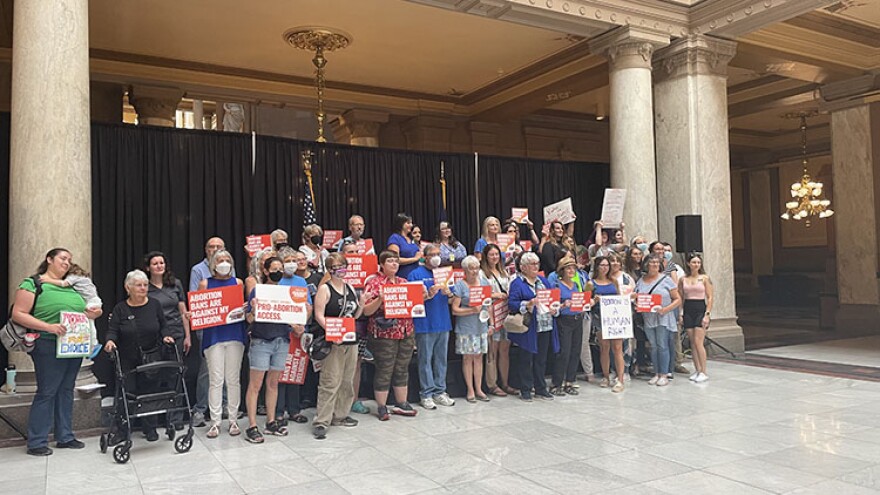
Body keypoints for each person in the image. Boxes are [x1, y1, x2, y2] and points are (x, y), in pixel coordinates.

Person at [12, 248, 101, 456]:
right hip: (48, 342)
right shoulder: (33, 283)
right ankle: (37, 441)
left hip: (73, 344)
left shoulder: (74, 284)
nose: (67, 262)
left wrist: (94, 313)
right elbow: (19, 313)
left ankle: (65, 436)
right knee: (47, 390)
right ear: (49, 259)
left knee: (66, 389)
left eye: (69, 259)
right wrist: (48, 327)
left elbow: (91, 309)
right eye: (63, 258)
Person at [106, 269, 176, 441]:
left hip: (151, 355)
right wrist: (110, 341)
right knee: (126, 393)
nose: (143, 288)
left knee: (150, 391)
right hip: (127, 357)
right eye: (139, 285)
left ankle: (150, 428)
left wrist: (166, 336)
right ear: (128, 287)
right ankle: (122, 430)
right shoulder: (120, 309)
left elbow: (163, 325)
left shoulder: (154, 304)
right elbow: (113, 330)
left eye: (145, 285)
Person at [244, 256, 307, 443]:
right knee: (255, 385)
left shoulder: (287, 292)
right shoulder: (258, 291)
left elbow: (292, 318)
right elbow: (249, 319)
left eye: (280, 268)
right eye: (274, 269)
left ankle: (271, 422)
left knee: (273, 384)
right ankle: (252, 425)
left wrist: (297, 326)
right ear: (265, 271)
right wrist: (253, 309)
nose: (278, 272)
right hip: (261, 341)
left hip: (282, 340)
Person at [362, 250, 419, 420]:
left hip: (406, 331)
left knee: (402, 368)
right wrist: (380, 299)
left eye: (396, 261)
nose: (394, 264)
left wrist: (424, 296)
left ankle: (402, 403)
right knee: (384, 369)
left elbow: (413, 305)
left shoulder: (404, 282)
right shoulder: (374, 283)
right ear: (382, 264)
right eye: (390, 261)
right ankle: (381, 406)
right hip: (384, 333)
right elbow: (366, 310)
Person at [312, 253, 364, 439]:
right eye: (335, 267)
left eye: (342, 266)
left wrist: (362, 304)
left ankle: (340, 415)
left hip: (350, 340)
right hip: (333, 341)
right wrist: (332, 333)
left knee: (347, 380)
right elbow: (319, 315)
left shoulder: (349, 287)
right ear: (329, 269)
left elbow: (355, 315)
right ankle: (322, 420)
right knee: (330, 380)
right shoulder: (325, 289)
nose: (340, 270)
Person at [197, 249, 247, 438]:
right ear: (213, 264)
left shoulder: (238, 282)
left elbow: (241, 305)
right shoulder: (205, 283)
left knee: (233, 379)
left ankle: (233, 420)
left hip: (235, 334)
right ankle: (215, 422)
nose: (224, 263)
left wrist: (245, 307)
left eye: (227, 259)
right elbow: (200, 308)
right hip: (214, 336)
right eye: (220, 260)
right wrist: (195, 314)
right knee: (215, 380)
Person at [407, 244, 456, 410]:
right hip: (425, 324)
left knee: (441, 359)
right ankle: (426, 394)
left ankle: (440, 391)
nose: (436, 257)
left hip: (443, 322)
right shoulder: (415, 274)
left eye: (438, 254)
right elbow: (412, 300)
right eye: (432, 254)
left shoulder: (445, 273)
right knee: (425, 360)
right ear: (425, 257)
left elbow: (452, 299)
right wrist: (428, 295)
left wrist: (449, 293)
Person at [189, 236, 230, 427]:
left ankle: (223, 405)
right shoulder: (198, 270)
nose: (215, 249)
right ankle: (200, 409)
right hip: (208, 326)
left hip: (226, 326)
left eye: (219, 246)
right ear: (206, 250)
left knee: (225, 367)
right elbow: (196, 298)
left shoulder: (229, 267)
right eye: (211, 247)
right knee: (207, 369)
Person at [507, 252, 560, 402]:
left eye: (537, 263)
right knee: (526, 358)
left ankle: (540, 388)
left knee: (541, 359)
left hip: (545, 324)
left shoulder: (544, 281)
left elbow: (553, 300)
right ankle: (525, 389)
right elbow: (512, 303)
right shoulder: (517, 283)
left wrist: (555, 309)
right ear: (523, 267)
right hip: (529, 326)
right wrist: (527, 304)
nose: (536, 266)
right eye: (532, 264)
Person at [275, 247, 314, 422]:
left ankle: (294, 410)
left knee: (296, 370)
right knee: (280, 373)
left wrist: (301, 324)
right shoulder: (277, 282)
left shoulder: (301, 281)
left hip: (300, 332)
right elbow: (276, 308)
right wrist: (292, 326)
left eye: (294, 260)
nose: (292, 263)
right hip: (282, 332)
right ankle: (278, 411)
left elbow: (308, 306)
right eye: (288, 261)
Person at [635, 254, 681, 387]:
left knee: (662, 345)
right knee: (653, 346)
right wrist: (637, 303)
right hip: (648, 317)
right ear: (646, 264)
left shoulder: (666, 280)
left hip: (663, 317)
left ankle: (664, 374)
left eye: (657, 262)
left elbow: (677, 299)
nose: (655, 264)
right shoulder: (641, 281)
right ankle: (656, 372)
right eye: (652, 262)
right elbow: (637, 297)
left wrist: (666, 309)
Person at [39, 263, 101, 358]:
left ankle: (93, 345)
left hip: (91, 302)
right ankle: (92, 344)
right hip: (94, 300)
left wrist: (48, 280)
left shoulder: (74, 277)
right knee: (90, 323)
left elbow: (64, 284)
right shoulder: (85, 279)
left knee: (89, 323)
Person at [452, 255, 492, 403]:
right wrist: (471, 310)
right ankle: (470, 389)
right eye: (471, 268)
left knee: (479, 358)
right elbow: (455, 309)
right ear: (465, 270)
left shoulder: (484, 282)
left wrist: (491, 324)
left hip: (481, 325)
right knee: (468, 358)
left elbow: (489, 305)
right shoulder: (460, 285)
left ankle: (479, 388)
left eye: (476, 268)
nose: (474, 271)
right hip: (466, 327)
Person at [480, 243, 516, 396]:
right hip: (492, 313)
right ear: (485, 256)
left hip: (504, 312)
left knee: (504, 350)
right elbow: (479, 293)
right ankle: (492, 384)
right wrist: (495, 295)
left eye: (496, 254)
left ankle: (505, 383)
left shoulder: (504, 271)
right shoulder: (482, 273)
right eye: (491, 254)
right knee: (492, 350)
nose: (494, 257)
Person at [550, 256, 588, 396]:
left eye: (573, 268)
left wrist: (584, 305)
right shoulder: (557, 286)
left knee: (575, 351)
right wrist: (563, 305)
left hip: (577, 318)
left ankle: (570, 381)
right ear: (562, 270)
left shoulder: (576, 285)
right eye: (568, 268)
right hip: (564, 320)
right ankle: (556, 383)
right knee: (564, 352)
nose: (571, 271)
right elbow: (553, 307)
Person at [144, 252, 191, 357]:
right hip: (155, 334)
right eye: (155, 264)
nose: (159, 266)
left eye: (162, 263)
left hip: (176, 332)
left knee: (176, 364)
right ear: (148, 268)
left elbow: (183, 312)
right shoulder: (145, 287)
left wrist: (188, 336)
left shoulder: (175, 284)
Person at [591, 256, 626, 393]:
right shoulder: (591, 283)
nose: (604, 268)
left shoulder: (614, 281)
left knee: (617, 347)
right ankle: (606, 376)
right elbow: (587, 301)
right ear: (597, 267)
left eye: (607, 265)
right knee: (604, 347)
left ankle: (620, 379)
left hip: (614, 317)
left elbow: (619, 297)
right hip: (599, 317)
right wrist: (594, 300)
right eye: (602, 265)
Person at [679, 254, 714, 383]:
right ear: (689, 264)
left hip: (700, 309)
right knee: (692, 342)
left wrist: (707, 314)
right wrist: (681, 313)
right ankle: (697, 369)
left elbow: (710, 297)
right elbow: (681, 297)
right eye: (694, 262)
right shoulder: (683, 279)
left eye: (698, 262)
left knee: (699, 342)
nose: (696, 265)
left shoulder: (704, 278)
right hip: (688, 309)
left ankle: (704, 371)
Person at [386, 212, 421, 279]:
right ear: (401, 224)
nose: (411, 225)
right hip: (403, 276)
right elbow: (394, 259)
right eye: (408, 223)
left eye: (411, 223)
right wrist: (414, 259)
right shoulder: (395, 238)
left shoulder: (411, 238)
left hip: (415, 276)